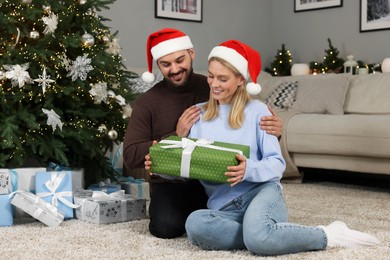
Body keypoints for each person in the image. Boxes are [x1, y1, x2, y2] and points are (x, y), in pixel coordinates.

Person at [147, 39, 381, 256]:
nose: (214, 85)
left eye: (223, 79)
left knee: (258, 238)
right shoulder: (197, 116)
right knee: (196, 225)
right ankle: (261, 233)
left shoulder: (259, 112)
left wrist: (247, 169)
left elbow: (276, 165)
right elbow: (188, 166)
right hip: (223, 207)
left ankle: (327, 234)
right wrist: (159, 165)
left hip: (261, 193)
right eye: (211, 77)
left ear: (240, 79)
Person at [123, 28, 282, 239]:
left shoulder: (212, 86)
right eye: (165, 64)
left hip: (215, 180)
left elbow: (248, 129)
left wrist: (274, 132)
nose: (174, 69)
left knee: (223, 207)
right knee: (167, 227)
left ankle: (251, 228)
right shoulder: (148, 102)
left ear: (191, 53)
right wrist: (176, 137)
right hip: (174, 182)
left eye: (179, 60)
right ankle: (251, 232)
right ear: (157, 66)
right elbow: (131, 155)